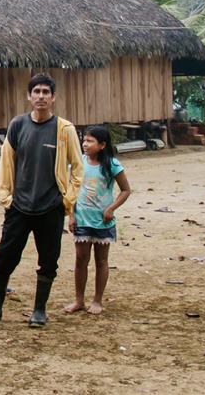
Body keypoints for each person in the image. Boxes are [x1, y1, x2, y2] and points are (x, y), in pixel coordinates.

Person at [0, 73, 83, 328]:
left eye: (46, 92)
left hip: (51, 207)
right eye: (37, 92)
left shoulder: (64, 129)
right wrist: (6, 197)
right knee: (4, 258)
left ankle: (39, 310)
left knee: (48, 260)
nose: (41, 96)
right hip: (19, 206)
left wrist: (66, 201)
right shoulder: (17, 125)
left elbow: (78, 169)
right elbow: (6, 163)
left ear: (53, 97)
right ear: (29, 96)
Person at [64, 126, 131, 315]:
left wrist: (111, 208)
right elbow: (72, 190)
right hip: (82, 219)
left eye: (90, 141)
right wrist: (71, 215)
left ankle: (97, 300)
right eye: (84, 140)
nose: (85, 144)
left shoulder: (112, 165)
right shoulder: (78, 163)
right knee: (80, 260)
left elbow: (126, 190)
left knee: (101, 261)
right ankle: (79, 300)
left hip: (103, 221)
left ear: (102, 145)